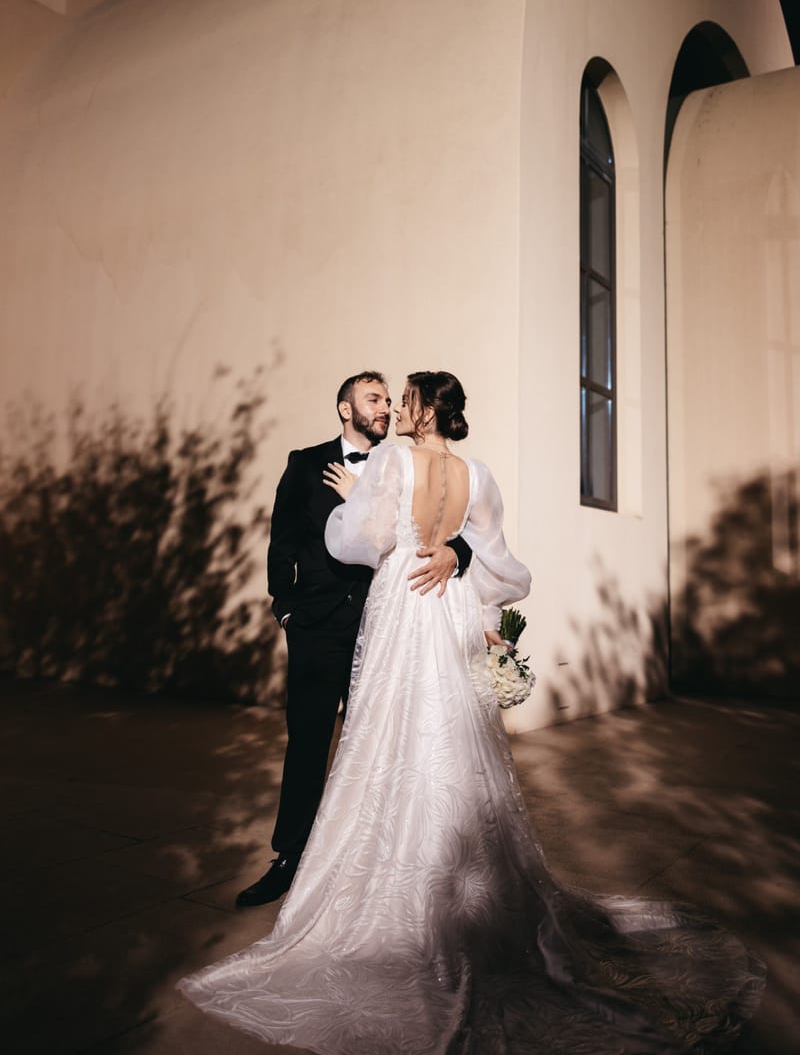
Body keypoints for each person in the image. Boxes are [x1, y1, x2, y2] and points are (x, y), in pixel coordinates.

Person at [181, 372, 764, 1053]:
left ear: (426, 410)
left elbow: (354, 543)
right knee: (452, 733)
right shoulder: (476, 473)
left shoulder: (394, 460)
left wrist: (354, 502)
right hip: (450, 610)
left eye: (405, 398)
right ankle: (466, 878)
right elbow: (501, 564)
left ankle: (394, 880)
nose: (397, 407)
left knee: (387, 737)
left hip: (402, 608)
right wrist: (459, 565)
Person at [236, 371, 472, 907]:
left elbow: (447, 527)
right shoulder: (304, 462)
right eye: (374, 399)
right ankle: (290, 857)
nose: (386, 407)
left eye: (392, 400)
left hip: (385, 630)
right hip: (318, 627)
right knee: (309, 743)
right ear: (346, 409)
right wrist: (286, 606)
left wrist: (458, 554)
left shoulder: (403, 465)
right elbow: (284, 539)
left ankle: (358, 860)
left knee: (377, 748)